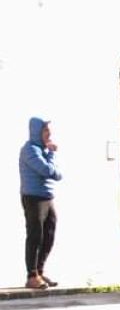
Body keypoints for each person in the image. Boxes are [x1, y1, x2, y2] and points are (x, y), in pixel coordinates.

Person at [19, 117, 61, 290]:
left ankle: (40, 271)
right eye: (45, 130)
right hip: (33, 197)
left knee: (49, 234)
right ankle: (31, 275)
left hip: (47, 197)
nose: (49, 134)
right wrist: (51, 154)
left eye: (49, 130)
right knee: (35, 236)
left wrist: (50, 156)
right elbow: (48, 171)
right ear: (37, 131)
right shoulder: (30, 150)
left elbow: (55, 173)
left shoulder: (43, 150)